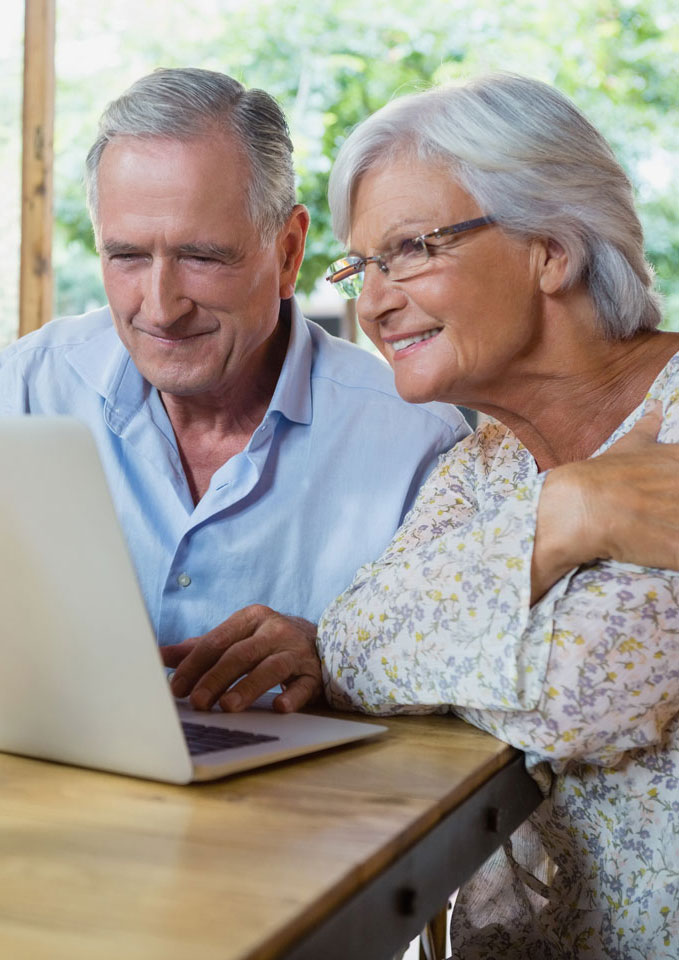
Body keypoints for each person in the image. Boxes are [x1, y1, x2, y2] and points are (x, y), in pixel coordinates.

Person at [317, 74, 679, 958]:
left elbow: (581, 690)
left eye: (407, 250)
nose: (371, 301)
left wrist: (431, 663)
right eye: (361, 265)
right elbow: (349, 643)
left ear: (549, 250)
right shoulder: (488, 460)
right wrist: (568, 511)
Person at [0, 67, 469, 713]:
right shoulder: (24, 388)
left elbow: (464, 683)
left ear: (288, 251)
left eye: (202, 257)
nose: (160, 308)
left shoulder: (420, 442)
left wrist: (335, 654)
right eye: (127, 256)